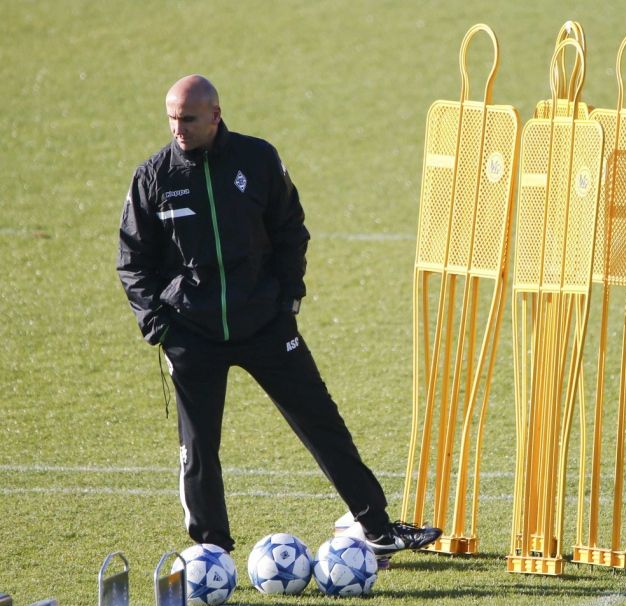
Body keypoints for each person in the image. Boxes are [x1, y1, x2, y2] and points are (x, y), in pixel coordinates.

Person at [116, 74, 440, 561]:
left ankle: (375, 525)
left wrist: (288, 300)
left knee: (322, 423)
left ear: (215, 115)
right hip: (193, 334)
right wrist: (158, 324)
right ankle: (212, 551)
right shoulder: (153, 177)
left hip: (264, 325)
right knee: (198, 450)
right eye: (171, 118)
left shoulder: (257, 159)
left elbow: (291, 230)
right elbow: (132, 258)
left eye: (188, 118)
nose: (177, 128)